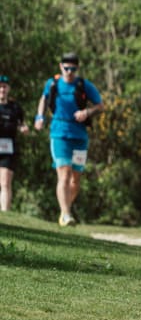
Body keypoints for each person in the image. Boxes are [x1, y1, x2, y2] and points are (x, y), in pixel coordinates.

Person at [34, 52, 104, 226]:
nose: (69, 72)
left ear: (77, 68)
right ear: (61, 67)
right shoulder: (52, 83)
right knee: (64, 174)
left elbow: (100, 106)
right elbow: (44, 98)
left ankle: (64, 209)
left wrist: (87, 112)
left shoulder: (84, 85)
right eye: (66, 68)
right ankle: (66, 215)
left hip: (79, 136)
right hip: (59, 135)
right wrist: (39, 117)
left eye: (73, 69)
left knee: (75, 180)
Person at [0, 74, 30, 212]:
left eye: (4, 87)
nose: (2, 90)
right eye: (0, 87)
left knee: (5, 181)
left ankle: (5, 214)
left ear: (8, 89)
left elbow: (21, 124)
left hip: (8, 148)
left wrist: (24, 128)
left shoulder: (15, 108)